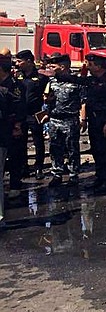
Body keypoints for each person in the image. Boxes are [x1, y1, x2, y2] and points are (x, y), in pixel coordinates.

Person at [83, 54, 106, 194]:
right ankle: (99, 177)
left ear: (99, 67)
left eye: (90, 64)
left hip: (104, 121)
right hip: (93, 120)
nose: (88, 66)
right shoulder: (92, 80)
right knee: (96, 150)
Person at [43, 53, 82, 188]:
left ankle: (73, 174)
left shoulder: (76, 82)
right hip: (54, 119)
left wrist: (83, 119)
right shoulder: (52, 82)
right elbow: (46, 99)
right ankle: (57, 173)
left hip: (70, 119)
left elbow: (83, 102)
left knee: (72, 148)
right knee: (54, 148)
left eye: (53, 65)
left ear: (63, 66)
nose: (50, 67)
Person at [14, 49, 48, 181]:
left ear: (29, 61)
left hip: (36, 113)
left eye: (20, 61)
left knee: (38, 141)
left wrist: (45, 113)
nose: (17, 63)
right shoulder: (17, 76)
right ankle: (24, 167)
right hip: (21, 114)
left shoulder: (41, 77)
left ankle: (38, 167)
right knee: (21, 142)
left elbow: (48, 96)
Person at [0, 55, 24, 227]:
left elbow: (18, 108)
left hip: (5, 133)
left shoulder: (13, 86)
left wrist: (17, 125)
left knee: (15, 159)